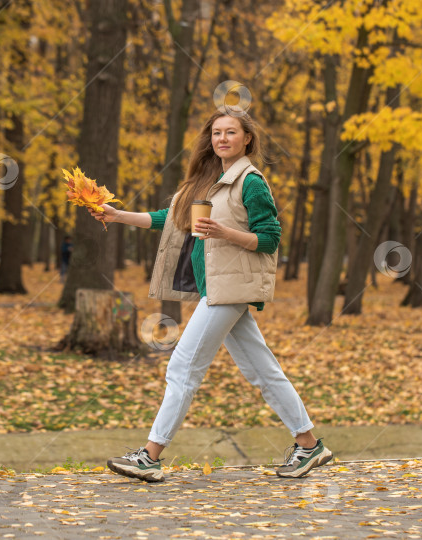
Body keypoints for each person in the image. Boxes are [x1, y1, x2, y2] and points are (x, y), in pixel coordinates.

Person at [87, 111, 332, 482]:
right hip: (215, 288)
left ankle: (150, 457)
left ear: (247, 137)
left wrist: (223, 232)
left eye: (231, 132)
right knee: (263, 370)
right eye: (217, 132)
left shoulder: (250, 181)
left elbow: (269, 238)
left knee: (182, 367)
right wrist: (118, 216)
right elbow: (168, 218)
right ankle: (309, 445)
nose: (223, 138)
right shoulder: (207, 180)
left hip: (228, 290)